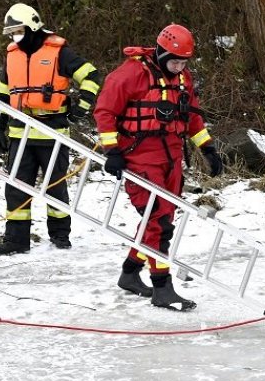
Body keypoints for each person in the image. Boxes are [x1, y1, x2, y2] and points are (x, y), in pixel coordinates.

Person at [93, 24, 223, 312]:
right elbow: (104, 111)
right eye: (175, 61)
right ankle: (162, 287)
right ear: (162, 53)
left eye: (184, 62)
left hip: (172, 158)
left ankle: (129, 273)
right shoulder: (131, 74)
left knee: (158, 221)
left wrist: (207, 148)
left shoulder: (182, 78)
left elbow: (191, 119)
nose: (179, 67)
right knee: (159, 223)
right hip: (140, 160)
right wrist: (111, 151)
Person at [0, 3, 101, 255]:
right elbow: (1, 95)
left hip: (54, 133)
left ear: (32, 26)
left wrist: (82, 106)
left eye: (17, 31)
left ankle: (60, 235)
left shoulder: (59, 52)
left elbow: (91, 75)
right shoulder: (12, 55)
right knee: (17, 188)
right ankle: (16, 241)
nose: (14, 37)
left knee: (56, 187)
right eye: (11, 33)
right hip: (21, 133)